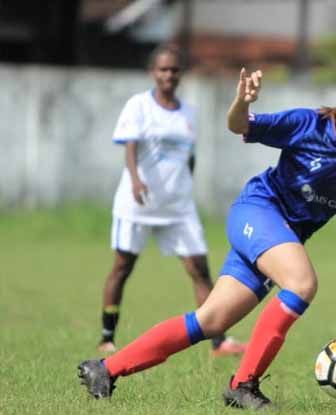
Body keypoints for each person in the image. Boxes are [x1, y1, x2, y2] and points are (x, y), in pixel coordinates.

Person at [78, 62, 336, 410]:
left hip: (283, 236)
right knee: (301, 284)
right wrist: (243, 102)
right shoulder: (308, 124)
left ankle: (105, 369)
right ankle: (243, 385)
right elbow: (239, 125)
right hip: (257, 211)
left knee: (211, 321)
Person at [99, 45, 244, 357]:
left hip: (178, 206)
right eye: (163, 69)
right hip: (138, 202)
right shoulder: (139, 105)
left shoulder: (189, 113)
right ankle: (107, 335)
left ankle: (218, 341)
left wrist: (186, 186)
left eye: (174, 70)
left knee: (200, 269)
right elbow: (130, 147)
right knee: (123, 265)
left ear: (180, 73)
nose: (168, 75)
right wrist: (136, 180)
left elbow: (189, 157)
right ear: (154, 72)